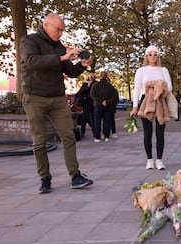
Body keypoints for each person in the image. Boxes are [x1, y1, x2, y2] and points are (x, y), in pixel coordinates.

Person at [20, 13, 94, 193]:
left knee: (69, 135)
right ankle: (45, 178)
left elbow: (71, 71)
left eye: (63, 30)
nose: (60, 33)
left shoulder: (60, 47)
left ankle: (75, 176)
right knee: (39, 140)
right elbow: (32, 62)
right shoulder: (29, 41)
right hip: (35, 96)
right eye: (58, 29)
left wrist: (83, 64)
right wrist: (62, 57)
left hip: (58, 97)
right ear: (46, 25)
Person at [130, 45, 172, 170]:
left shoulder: (163, 70)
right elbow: (137, 89)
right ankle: (149, 159)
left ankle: (159, 159)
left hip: (160, 101)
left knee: (160, 132)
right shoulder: (141, 71)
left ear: (158, 56)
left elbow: (169, 87)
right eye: (150, 54)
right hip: (146, 101)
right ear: (146, 56)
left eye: (155, 54)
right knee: (147, 133)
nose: (152, 57)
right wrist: (135, 106)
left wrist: (156, 88)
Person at [90, 71, 117, 142]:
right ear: (106, 76)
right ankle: (106, 136)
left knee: (97, 122)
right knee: (107, 122)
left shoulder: (95, 85)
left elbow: (93, 94)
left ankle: (97, 137)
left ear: (100, 76)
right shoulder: (110, 86)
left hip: (98, 105)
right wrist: (107, 101)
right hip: (107, 106)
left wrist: (100, 101)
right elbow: (114, 96)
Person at [75, 72, 96, 138]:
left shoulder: (96, 84)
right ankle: (83, 132)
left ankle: (95, 132)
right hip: (86, 103)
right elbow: (80, 93)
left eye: (93, 76)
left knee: (93, 118)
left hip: (93, 103)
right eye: (90, 76)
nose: (91, 78)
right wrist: (87, 86)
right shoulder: (85, 84)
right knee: (85, 117)